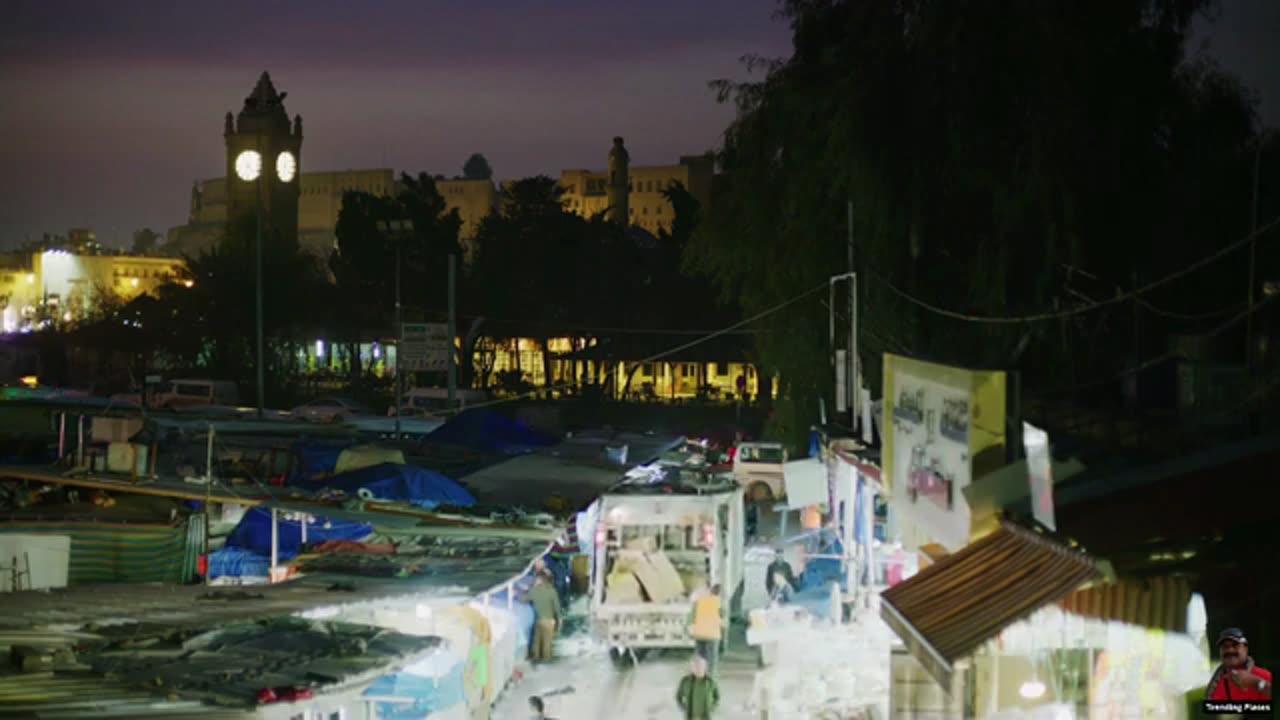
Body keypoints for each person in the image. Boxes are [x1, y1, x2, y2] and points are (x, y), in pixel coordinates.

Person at [1206, 627, 1271, 700]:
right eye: (1225, 646)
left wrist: (1256, 683)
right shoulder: (1214, 686)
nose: (1230, 650)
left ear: (1245, 649)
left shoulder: (1265, 676)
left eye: (1235, 645)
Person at [526, 571, 562, 663]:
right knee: (547, 644)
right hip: (549, 621)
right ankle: (547, 661)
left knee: (536, 642)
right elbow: (557, 608)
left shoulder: (534, 591)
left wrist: (516, 592)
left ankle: (535, 659)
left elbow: (524, 599)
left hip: (538, 621)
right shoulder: (552, 591)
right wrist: (559, 619)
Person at [688, 584, 723, 676]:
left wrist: (689, 630)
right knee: (712, 658)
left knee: (700, 656)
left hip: (699, 633)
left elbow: (691, 616)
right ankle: (710, 676)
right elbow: (723, 617)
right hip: (713, 634)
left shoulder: (698, 601)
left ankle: (698, 674)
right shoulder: (718, 602)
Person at [676, 655, 720, 719]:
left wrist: (712, 708)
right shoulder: (685, 681)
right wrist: (683, 708)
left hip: (705, 717)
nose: (698, 668)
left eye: (700, 666)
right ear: (691, 668)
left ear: (705, 667)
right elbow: (678, 697)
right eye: (695, 666)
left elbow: (717, 697)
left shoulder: (710, 681)